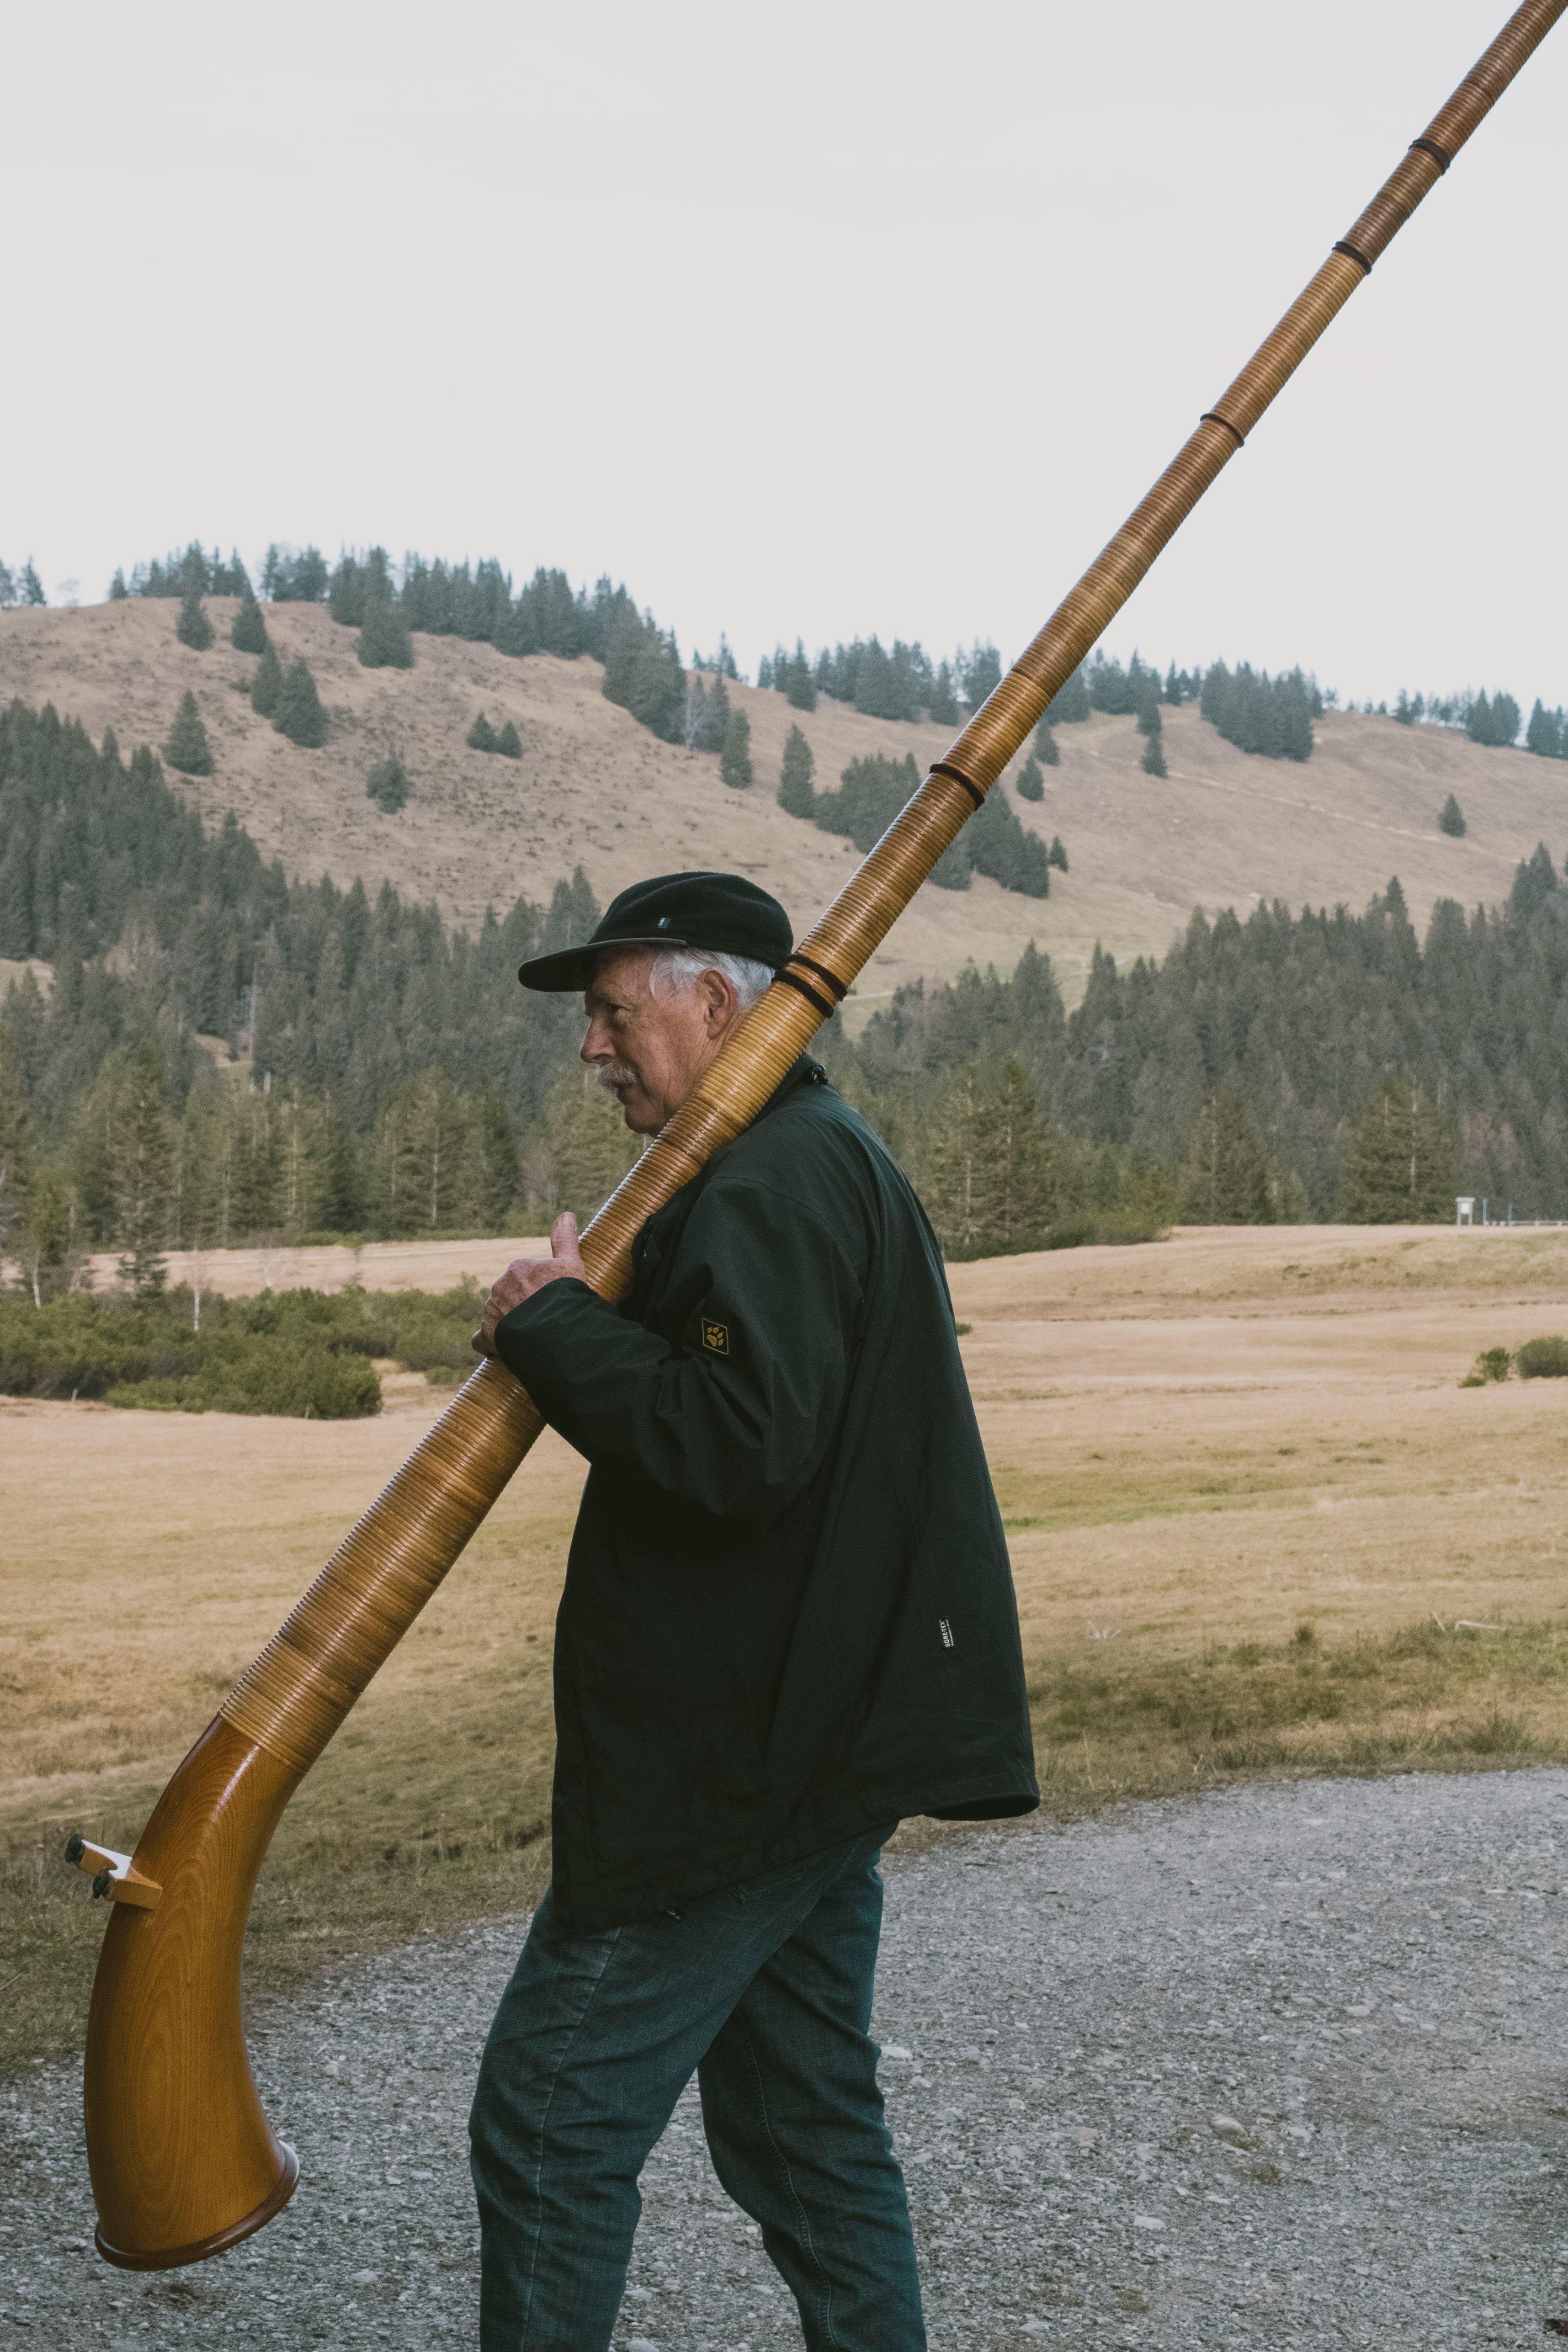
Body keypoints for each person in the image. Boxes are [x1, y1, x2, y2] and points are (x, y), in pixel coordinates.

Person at [468, 870, 1037, 2351]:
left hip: (739, 1760)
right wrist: (600, 1319)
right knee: (802, 2132)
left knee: (547, 2121)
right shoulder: (800, 1153)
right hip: (806, 1742)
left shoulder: (777, 1175)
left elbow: (735, 1447)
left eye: (611, 1013)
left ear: (714, 1003)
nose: (592, 1049)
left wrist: (558, 1328)